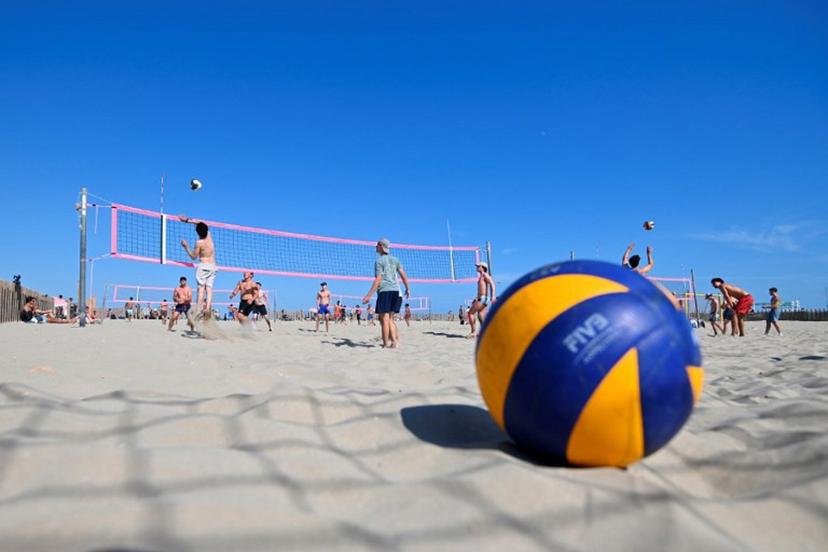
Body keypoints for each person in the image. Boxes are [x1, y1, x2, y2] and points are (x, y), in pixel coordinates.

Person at [362, 238, 410, 348]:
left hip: (385, 291)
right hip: (396, 291)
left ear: (380, 246)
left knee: (384, 319)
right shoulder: (395, 259)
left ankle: (385, 344)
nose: (375, 246)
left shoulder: (379, 261)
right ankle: (394, 342)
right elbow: (403, 274)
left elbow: (378, 279)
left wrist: (368, 295)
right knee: (390, 319)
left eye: (377, 245)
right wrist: (408, 288)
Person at [179, 218, 218, 318]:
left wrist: (186, 247)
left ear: (198, 232)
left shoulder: (199, 242)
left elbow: (193, 257)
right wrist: (187, 220)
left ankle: (199, 310)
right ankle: (208, 308)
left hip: (204, 266)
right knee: (209, 289)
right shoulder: (209, 236)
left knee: (201, 290)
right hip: (213, 266)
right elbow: (201, 223)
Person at [467, 262, 497, 338]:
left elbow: (492, 284)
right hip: (483, 298)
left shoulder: (485, 275)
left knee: (470, 313)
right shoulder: (481, 277)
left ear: (482, 267)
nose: (477, 267)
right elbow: (482, 289)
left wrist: (493, 296)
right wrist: (476, 298)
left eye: (478, 266)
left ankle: (473, 332)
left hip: (483, 298)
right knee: (480, 315)